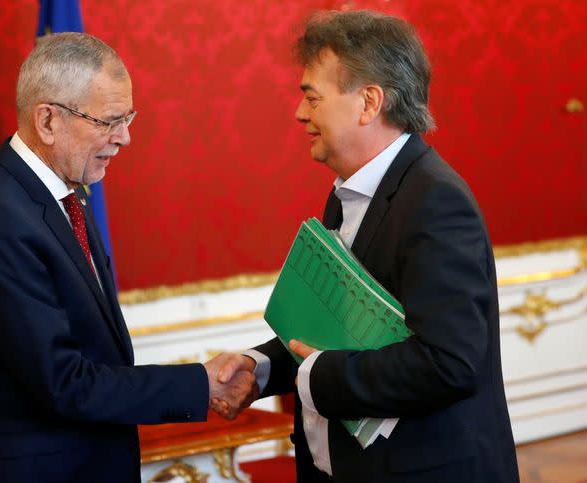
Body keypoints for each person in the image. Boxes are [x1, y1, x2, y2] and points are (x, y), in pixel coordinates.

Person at [214, 10, 519, 482]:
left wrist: (314, 379)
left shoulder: (435, 202)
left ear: (369, 103)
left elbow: (448, 364)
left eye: (312, 97)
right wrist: (260, 369)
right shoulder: (350, 190)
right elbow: (341, 335)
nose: (300, 113)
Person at [0, 32, 255, 483]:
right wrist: (200, 384)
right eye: (109, 121)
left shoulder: (64, 194)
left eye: (128, 118)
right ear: (48, 121)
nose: (125, 138)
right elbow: (62, 382)